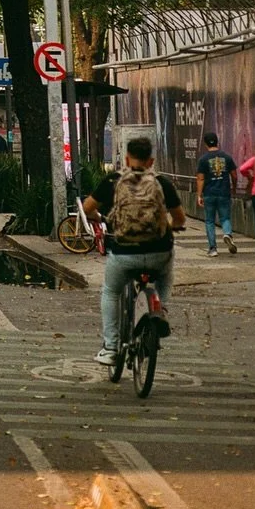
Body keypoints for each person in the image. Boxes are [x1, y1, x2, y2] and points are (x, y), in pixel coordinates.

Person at [83, 135, 186, 366]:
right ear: (151, 161)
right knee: (166, 276)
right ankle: (159, 311)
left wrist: (102, 219)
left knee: (111, 291)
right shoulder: (162, 182)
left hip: (123, 252)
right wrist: (170, 226)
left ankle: (110, 347)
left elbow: (88, 208)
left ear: (127, 159)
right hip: (159, 252)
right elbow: (179, 218)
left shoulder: (113, 181)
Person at [194, 132, 238, 255]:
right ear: (217, 141)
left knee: (209, 221)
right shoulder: (227, 157)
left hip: (209, 193)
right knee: (225, 218)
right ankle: (227, 234)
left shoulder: (203, 159)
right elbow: (234, 175)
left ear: (205, 143)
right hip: (224, 192)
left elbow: (200, 178)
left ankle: (213, 248)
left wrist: (199, 195)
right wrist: (233, 187)